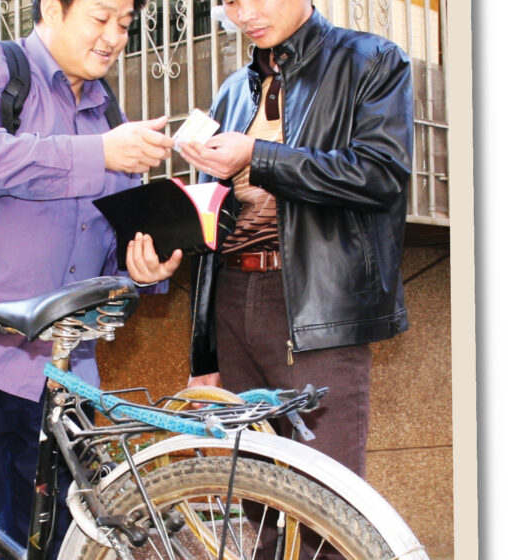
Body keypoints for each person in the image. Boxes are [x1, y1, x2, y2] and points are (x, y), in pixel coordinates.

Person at [0, 0, 173, 558]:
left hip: (64, 359)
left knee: (57, 535)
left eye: (124, 23)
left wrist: (141, 269)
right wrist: (99, 154)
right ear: (53, 8)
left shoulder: (106, 112)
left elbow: (108, 235)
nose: (114, 36)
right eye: (101, 17)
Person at [128, 0, 413, 478]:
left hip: (316, 304)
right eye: (231, 2)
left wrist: (258, 156)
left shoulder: (369, 59)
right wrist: (166, 252)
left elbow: (379, 174)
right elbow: (215, 221)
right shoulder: (233, 92)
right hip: (234, 302)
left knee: (327, 497)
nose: (246, 14)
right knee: (256, 497)